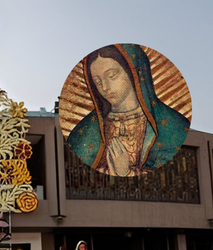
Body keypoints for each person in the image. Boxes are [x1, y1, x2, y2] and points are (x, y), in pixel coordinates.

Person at [68, 44, 190, 176]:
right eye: (97, 81)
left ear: (134, 73)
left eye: (112, 76)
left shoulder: (174, 126)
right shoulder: (84, 131)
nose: (105, 87)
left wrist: (126, 173)